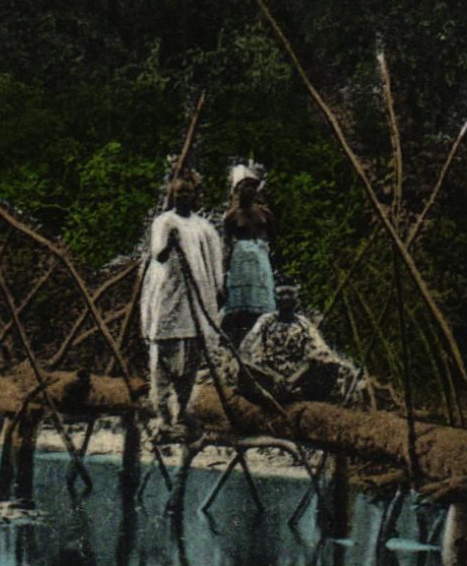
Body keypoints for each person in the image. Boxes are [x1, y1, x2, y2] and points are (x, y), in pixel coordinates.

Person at [139, 167, 225, 442]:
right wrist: (170, 242)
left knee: (189, 362)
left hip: (194, 304)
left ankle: (182, 414)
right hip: (168, 295)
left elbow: (214, 263)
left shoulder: (204, 227)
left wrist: (217, 288)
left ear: (195, 195)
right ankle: (162, 417)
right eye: (179, 193)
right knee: (162, 358)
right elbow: (158, 256)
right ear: (172, 195)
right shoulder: (164, 222)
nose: (184, 197)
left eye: (188, 192)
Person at [240, 285, 363, 404]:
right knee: (245, 372)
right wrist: (275, 376)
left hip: (297, 380)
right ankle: (276, 396)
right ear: (275, 297)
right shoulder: (265, 321)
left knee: (331, 367)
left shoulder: (303, 323)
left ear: (297, 298)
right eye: (282, 294)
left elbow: (320, 352)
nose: (286, 298)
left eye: (290, 294)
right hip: (270, 379)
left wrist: (293, 380)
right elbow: (249, 351)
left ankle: (296, 396)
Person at [222, 163, 275, 346]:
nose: (250, 190)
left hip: (260, 261)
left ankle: (262, 341)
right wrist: (223, 273)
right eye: (246, 186)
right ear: (238, 189)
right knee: (240, 306)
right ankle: (238, 342)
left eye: (253, 186)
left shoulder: (264, 214)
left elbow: (274, 241)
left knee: (263, 304)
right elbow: (226, 246)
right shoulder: (231, 217)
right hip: (240, 263)